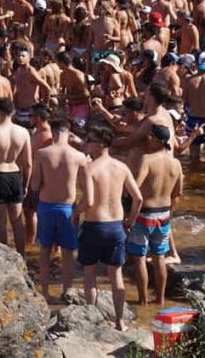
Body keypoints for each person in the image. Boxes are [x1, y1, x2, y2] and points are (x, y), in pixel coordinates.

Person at [81, 123, 141, 332]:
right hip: (116, 226)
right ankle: (120, 322)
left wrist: (74, 212)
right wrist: (130, 222)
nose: (85, 143)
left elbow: (88, 202)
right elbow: (138, 198)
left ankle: (91, 322)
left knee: (90, 275)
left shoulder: (90, 168)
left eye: (89, 140)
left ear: (100, 145)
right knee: (116, 276)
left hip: (94, 225)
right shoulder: (122, 167)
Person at [30, 116, 92, 303]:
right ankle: (67, 292)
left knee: (44, 251)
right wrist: (78, 210)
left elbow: (34, 186)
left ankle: (45, 292)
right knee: (67, 254)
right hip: (68, 208)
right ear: (69, 132)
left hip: (46, 207)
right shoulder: (79, 157)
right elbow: (87, 192)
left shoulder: (42, 154)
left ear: (52, 130)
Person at [128, 125, 183, 306]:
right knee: (160, 257)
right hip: (164, 215)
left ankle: (142, 300)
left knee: (139, 258)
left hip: (144, 214)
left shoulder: (147, 160)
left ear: (157, 140)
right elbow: (177, 194)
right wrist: (170, 213)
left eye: (149, 137)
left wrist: (129, 216)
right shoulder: (175, 163)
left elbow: (135, 188)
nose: (147, 139)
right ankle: (159, 299)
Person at [0, 97, 31, 256]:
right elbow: (28, 163)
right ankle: (21, 256)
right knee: (17, 222)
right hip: (15, 176)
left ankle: (3, 259)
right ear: (13, 111)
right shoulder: (23, 132)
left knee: (0, 224)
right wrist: (26, 184)